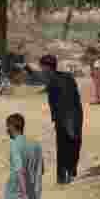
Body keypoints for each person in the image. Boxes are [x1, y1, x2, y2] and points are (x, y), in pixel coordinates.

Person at [33, 55, 83, 184]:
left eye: (42, 68)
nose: (42, 71)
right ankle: (70, 170)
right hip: (75, 114)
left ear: (47, 68)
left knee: (64, 145)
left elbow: (38, 80)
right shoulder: (64, 76)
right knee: (73, 142)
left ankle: (63, 175)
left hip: (66, 116)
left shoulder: (53, 79)